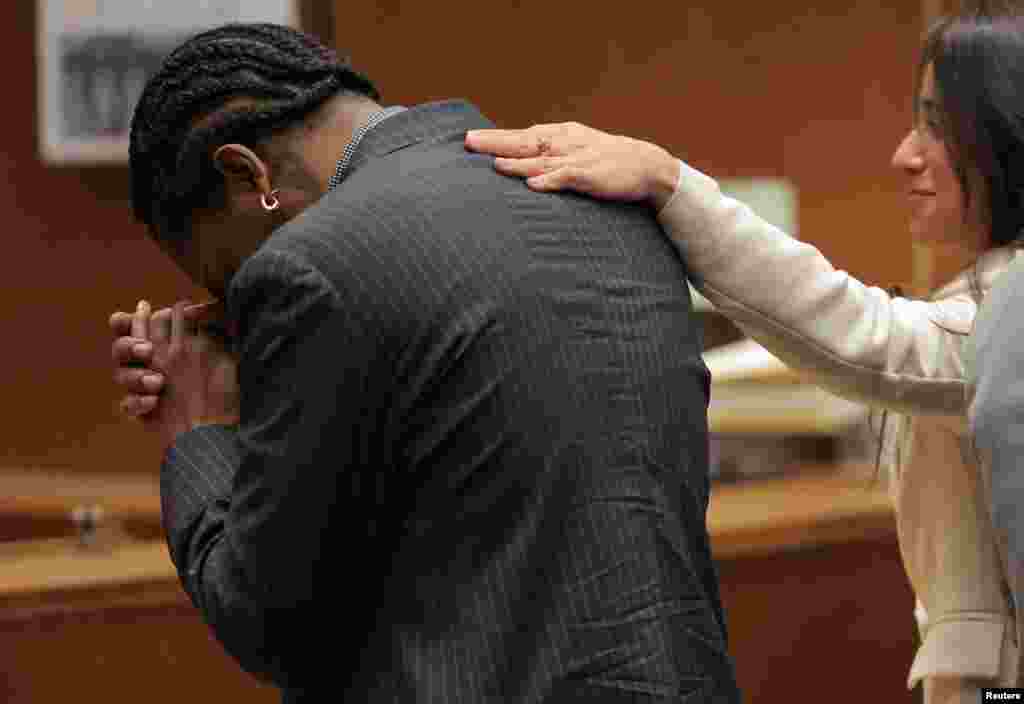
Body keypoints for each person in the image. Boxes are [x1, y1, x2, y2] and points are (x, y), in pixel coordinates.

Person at [108, 22, 742, 703]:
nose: (234, 301)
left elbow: (266, 618)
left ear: (246, 173)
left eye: (228, 274)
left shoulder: (309, 267)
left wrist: (199, 426)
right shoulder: (609, 203)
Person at [463, 10, 1024, 704]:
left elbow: (863, 334)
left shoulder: (1012, 309)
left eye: (938, 125)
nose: (905, 154)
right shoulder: (991, 292)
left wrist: (670, 184)